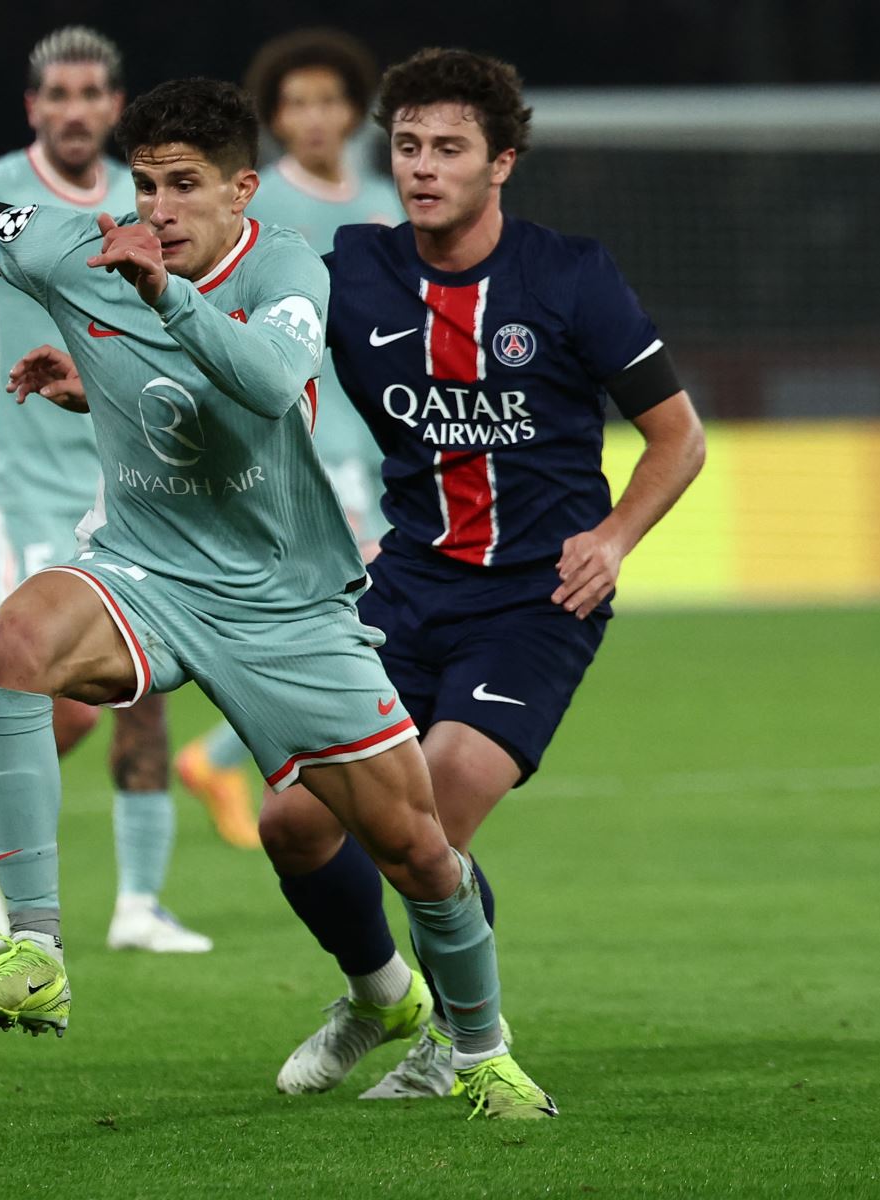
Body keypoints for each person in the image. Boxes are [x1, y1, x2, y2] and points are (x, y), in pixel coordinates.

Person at [0, 76, 555, 1118]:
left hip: (283, 606)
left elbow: (270, 382)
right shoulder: (72, 246)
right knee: (17, 642)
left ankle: (478, 1052)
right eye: (145, 186)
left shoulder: (283, 264)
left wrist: (159, 299)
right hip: (143, 572)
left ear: (242, 190)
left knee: (416, 850)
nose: (160, 210)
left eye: (185, 186)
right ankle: (35, 948)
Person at [264, 47, 707, 1102]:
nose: (422, 167)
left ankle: (458, 1042)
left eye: (449, 148)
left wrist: (613, 540)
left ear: (501, 161)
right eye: (408, 146)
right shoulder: (351, 269)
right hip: (405, 587)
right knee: (290, 826)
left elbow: (677, 439)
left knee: (432, 813)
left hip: (534, 602)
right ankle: (379, 996)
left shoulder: (570, 276)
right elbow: (242, 357)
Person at [0, 26, 211, 956]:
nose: (73, 110)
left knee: (148, 680)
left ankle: (140, 904)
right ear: (33, 108)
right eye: (56, 95)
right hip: (20, 487)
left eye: (90, 94)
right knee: (66, 692)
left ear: (115, 106)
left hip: (129, 481)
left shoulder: (140, 202)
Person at [173, 29, 401, 850]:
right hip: (305, 432)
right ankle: (238, 752)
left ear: (352, 112)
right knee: (362, 595)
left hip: (380, 428)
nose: (314, 116)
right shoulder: (258, 198)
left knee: (357, 602)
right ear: (275, 116)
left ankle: (247, 756)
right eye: (296, 102)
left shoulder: (383, 197)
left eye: (329, 100)